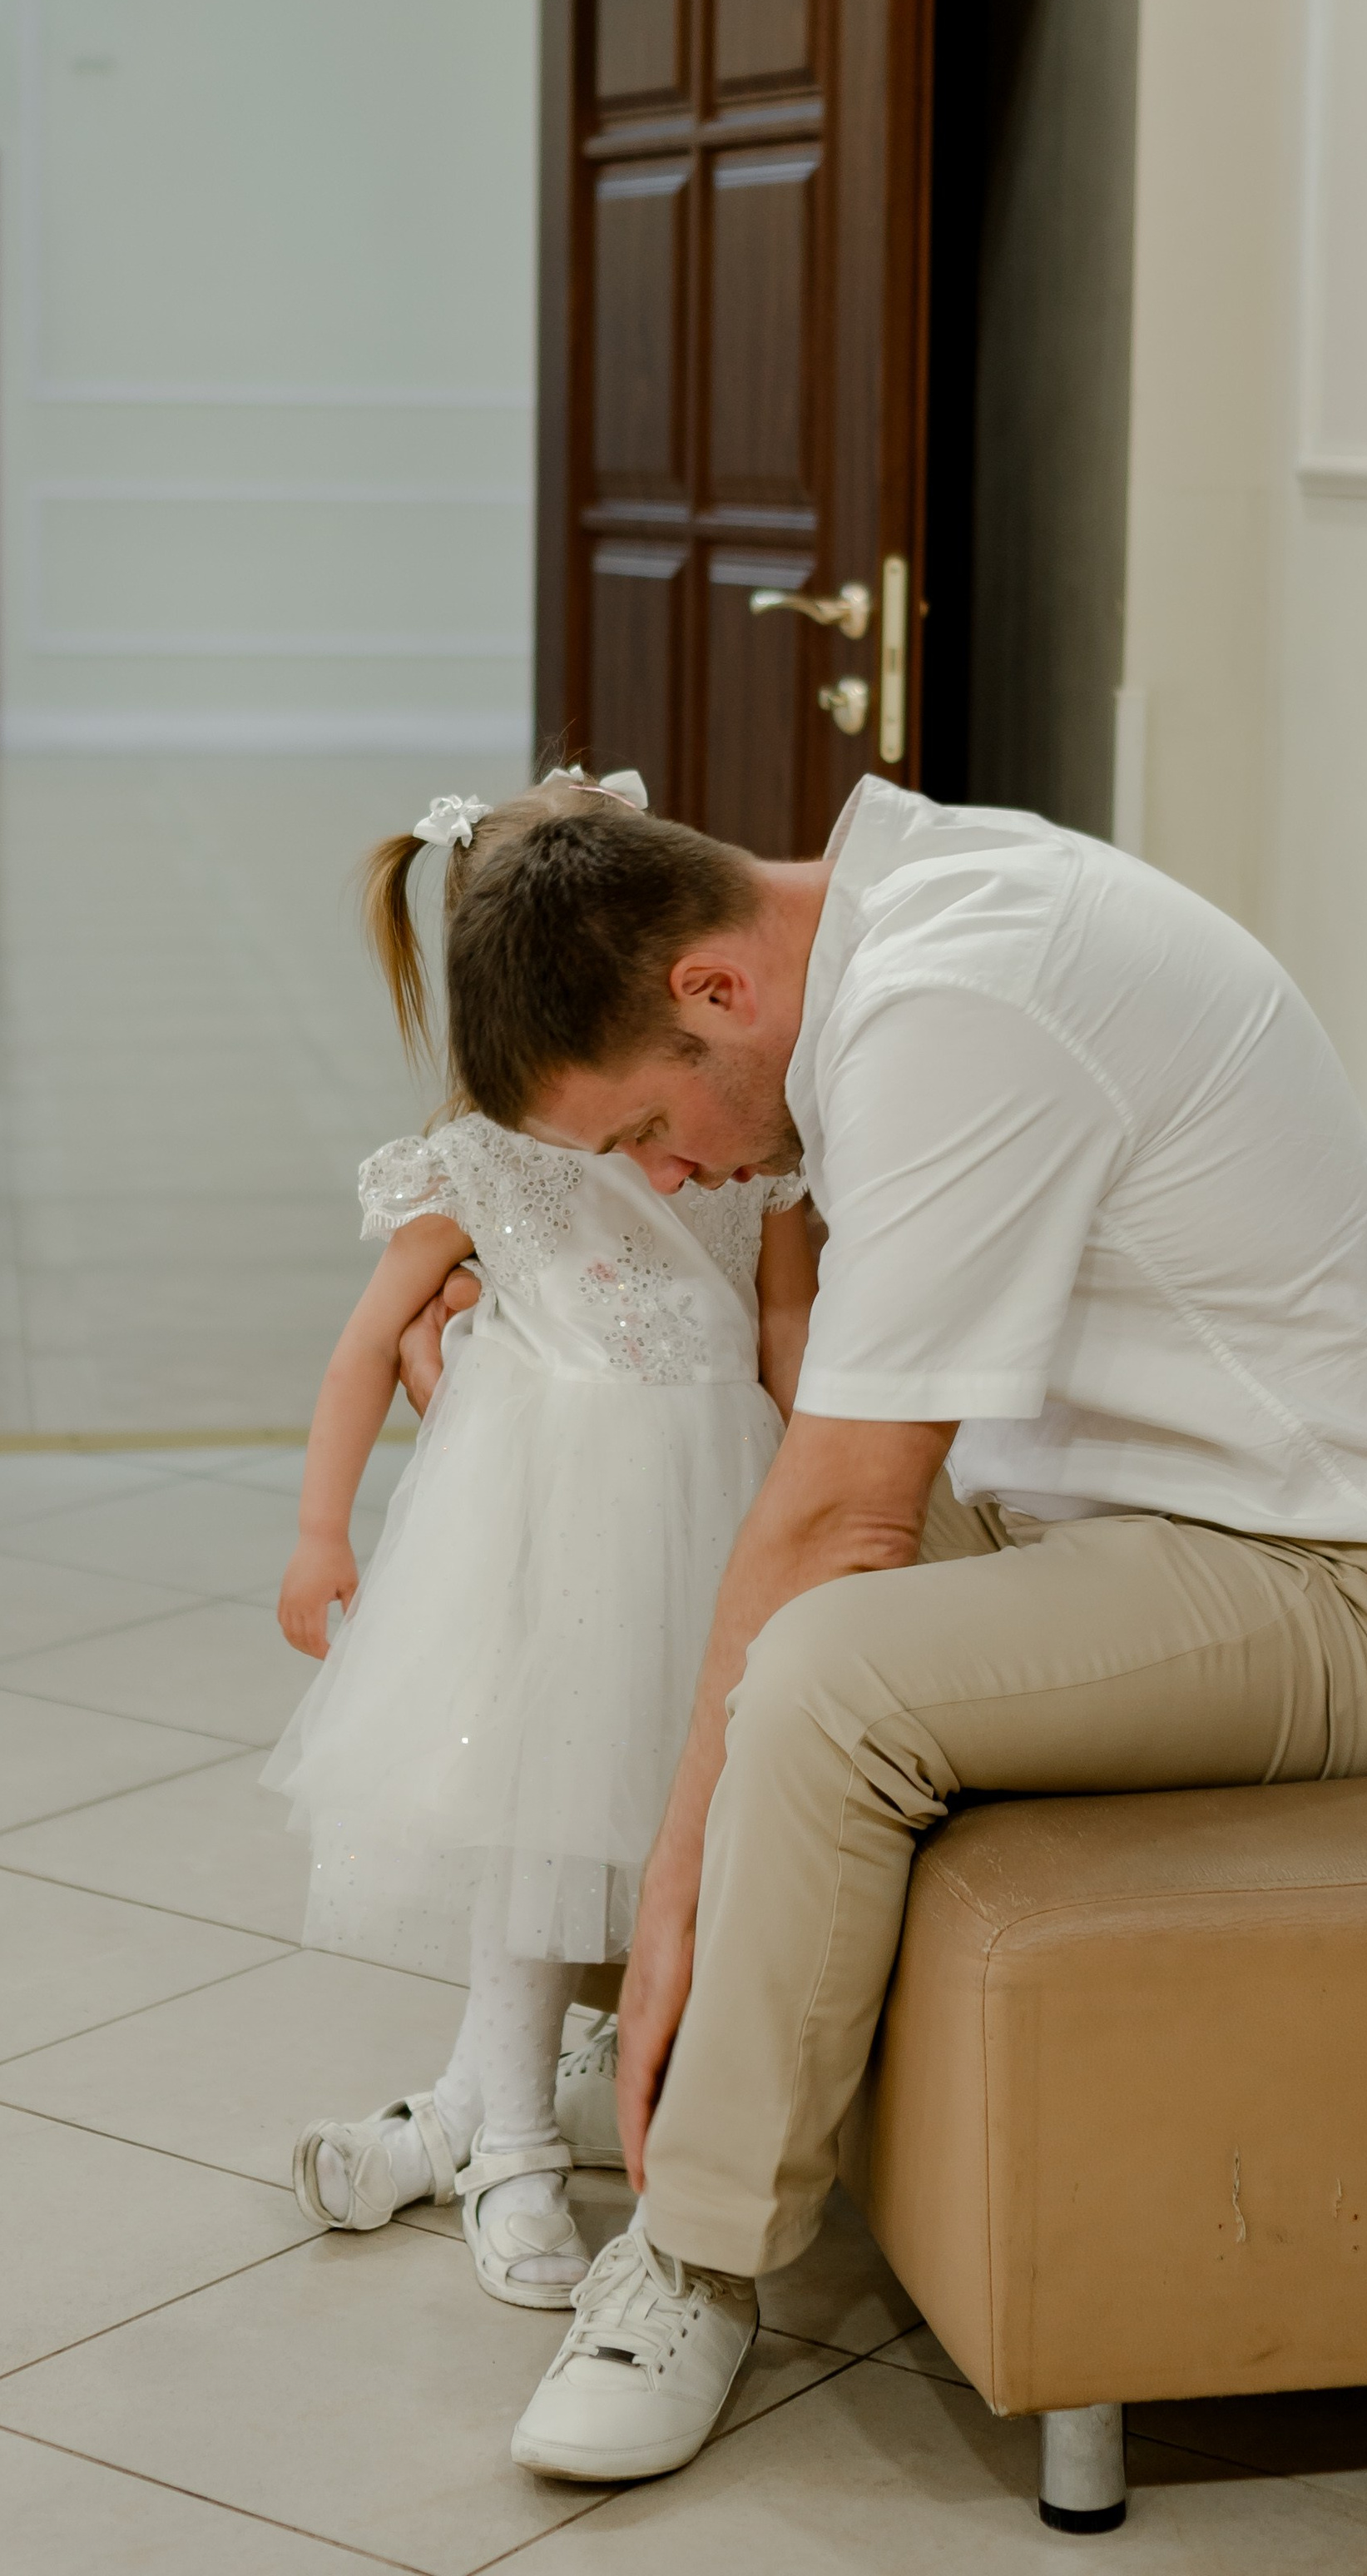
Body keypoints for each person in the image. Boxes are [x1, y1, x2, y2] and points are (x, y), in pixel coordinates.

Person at [404, 774, 1367, 2482]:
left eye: (644, 1131)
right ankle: (630, 2051)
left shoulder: (952, 1003)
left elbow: (852, 1518)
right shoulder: (898, 916)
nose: (675, 1172)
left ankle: (695, 2251)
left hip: (1364, 1581)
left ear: (710, 989)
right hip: (1124, 1512)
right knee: (704, 1529)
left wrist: (677, 1906)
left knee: (819, 1676)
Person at [262, 772, 814, 2312]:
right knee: (536, 1830)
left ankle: (452, 2119)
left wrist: (821, 1494)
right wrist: (321, 1532)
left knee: (632, 1835)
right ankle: (507, 2145)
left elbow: (784, 1329)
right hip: (537, 1515)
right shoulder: (482, 1161)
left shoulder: (738, 1134)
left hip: (704, 1500)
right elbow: (367, 1345)